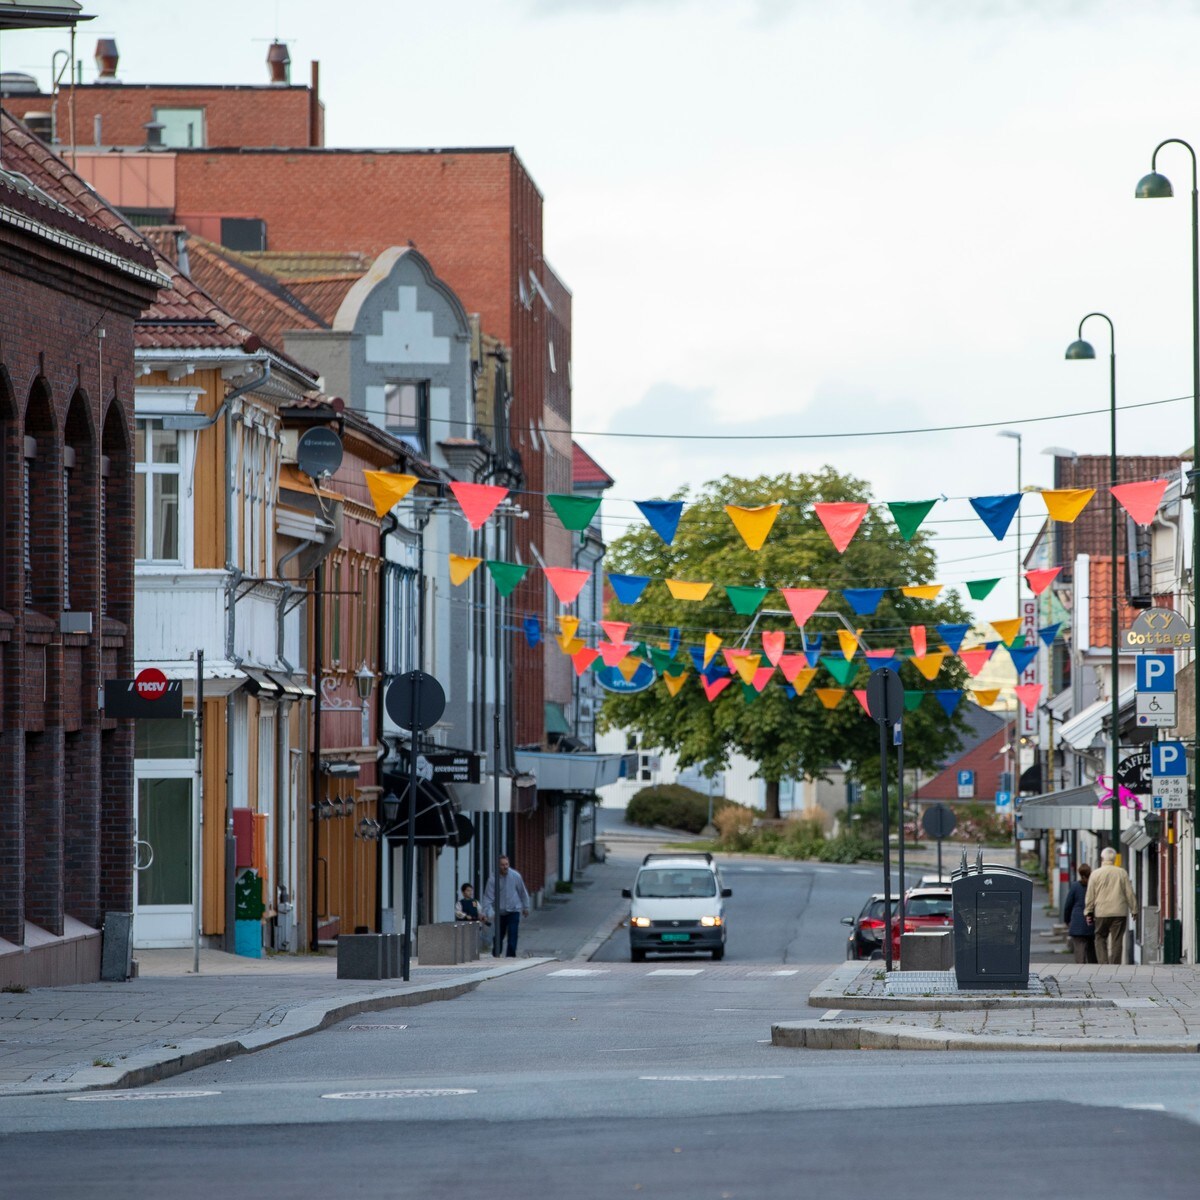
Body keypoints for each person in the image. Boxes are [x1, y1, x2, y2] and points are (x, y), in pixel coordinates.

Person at [1084, 847, 1136, 965]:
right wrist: (1134, 909)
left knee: (1100, 937)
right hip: (1119, 912)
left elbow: (1090, 895)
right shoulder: (1122, 873)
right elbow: (1129, 892)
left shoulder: (1095, 874)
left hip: (1101, 912)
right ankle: (1115, 964)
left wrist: (1088, 911)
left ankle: (1103, 963)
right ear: (1113, 858)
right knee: (1117, 940)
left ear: (1102, 858)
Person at [481, 856, 530, 957]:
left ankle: (510, 957)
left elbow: (522, 891)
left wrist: (525, 907)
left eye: (506, 864)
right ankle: (496, 954)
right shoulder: (493, 879)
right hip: (500, 912)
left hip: (513, 910)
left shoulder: (515, 876)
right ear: (498, 866)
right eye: (502, 865)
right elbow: (488, 897)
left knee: (513, 934)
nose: (505, 867)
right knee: (499, 935)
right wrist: (484, 912)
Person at [1062, 862, 1096, 964]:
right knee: (1092, 950)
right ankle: (1094, 970)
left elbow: (1068, 905)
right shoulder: (1093, 886)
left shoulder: (1075, 886)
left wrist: (1067, 920)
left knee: (1079, 950)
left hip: (1077, 922)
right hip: (1091, 921)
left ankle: (1081, 969)